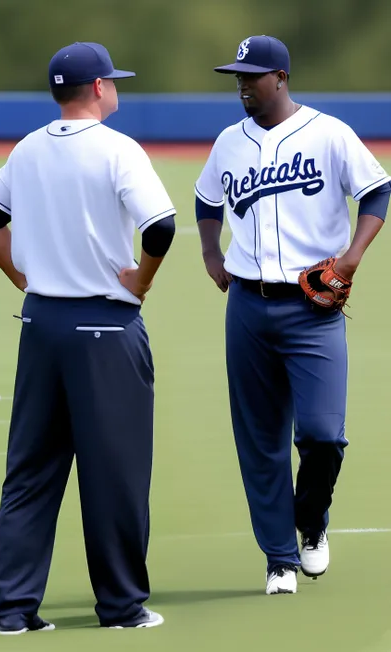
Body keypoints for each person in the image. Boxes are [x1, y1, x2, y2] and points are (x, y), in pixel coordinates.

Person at [0, 41, 176, 633]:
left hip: (41, 324)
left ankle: (12, 610)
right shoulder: (118, 148)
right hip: (104, 329)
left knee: (30, 471)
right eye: (113, 81)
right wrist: (141, 281)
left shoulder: (29, 146)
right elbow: (161, 225)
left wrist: (18, 275)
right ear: (100, 89)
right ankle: (120, 606)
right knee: (116, 473)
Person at [195, 35, 391, 594]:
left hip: (313, 308)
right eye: (236, 76)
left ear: (280, 76)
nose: (241, 85)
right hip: (248, 308)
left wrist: (352, 257)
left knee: (324, 436)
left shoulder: (329, 133)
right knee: (260, 439)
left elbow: (376, 191)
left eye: (251, 76)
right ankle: (278, 556)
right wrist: (211, 252)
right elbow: (206, 201)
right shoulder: (228, 143)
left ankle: (310, 521)